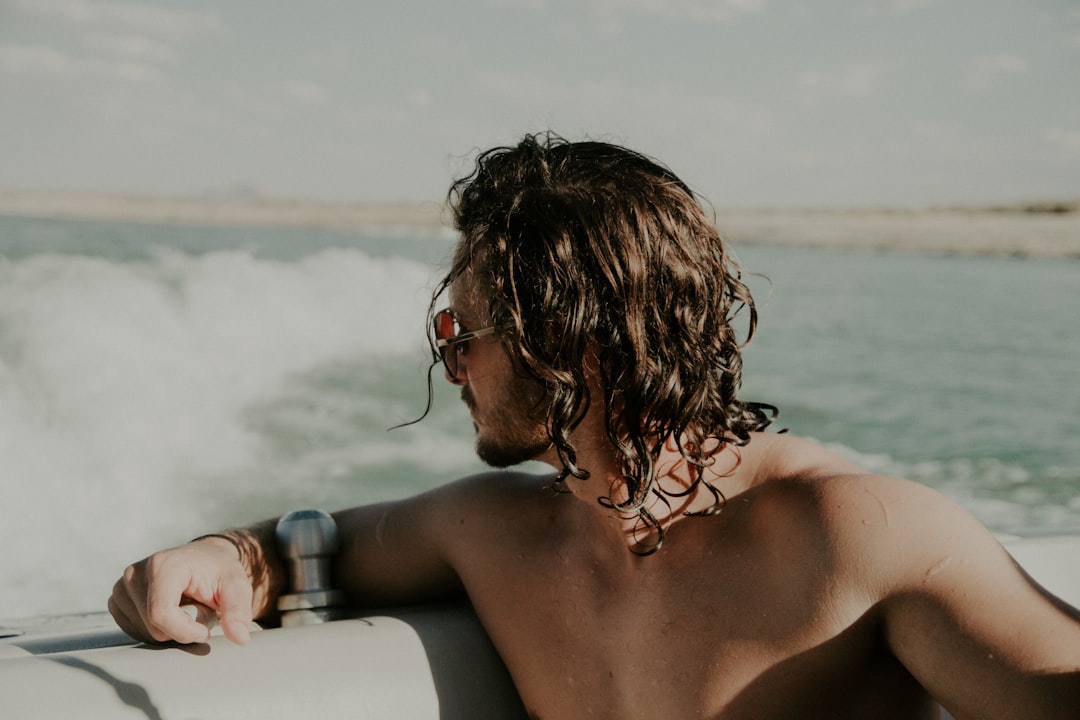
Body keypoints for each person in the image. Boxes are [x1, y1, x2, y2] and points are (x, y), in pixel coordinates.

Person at [110, 133, 1080, 719]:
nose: (448, 361)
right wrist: (222, 553)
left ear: (565, 342)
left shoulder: (856, 535)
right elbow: (308, 546)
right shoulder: (495, 531)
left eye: (459, 329)